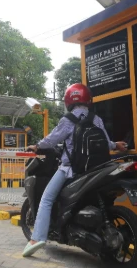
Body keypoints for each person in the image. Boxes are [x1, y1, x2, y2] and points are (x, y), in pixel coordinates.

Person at [22, 83, 127, 257]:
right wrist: (117, 145)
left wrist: (36, 146)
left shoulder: (68, 120)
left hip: (70, 169)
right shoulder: (96, 119)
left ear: (69, 100)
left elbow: (52, 140)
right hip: (95, 168)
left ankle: (37, 238)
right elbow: (106, 143)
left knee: (47, 199)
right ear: (88, 99)